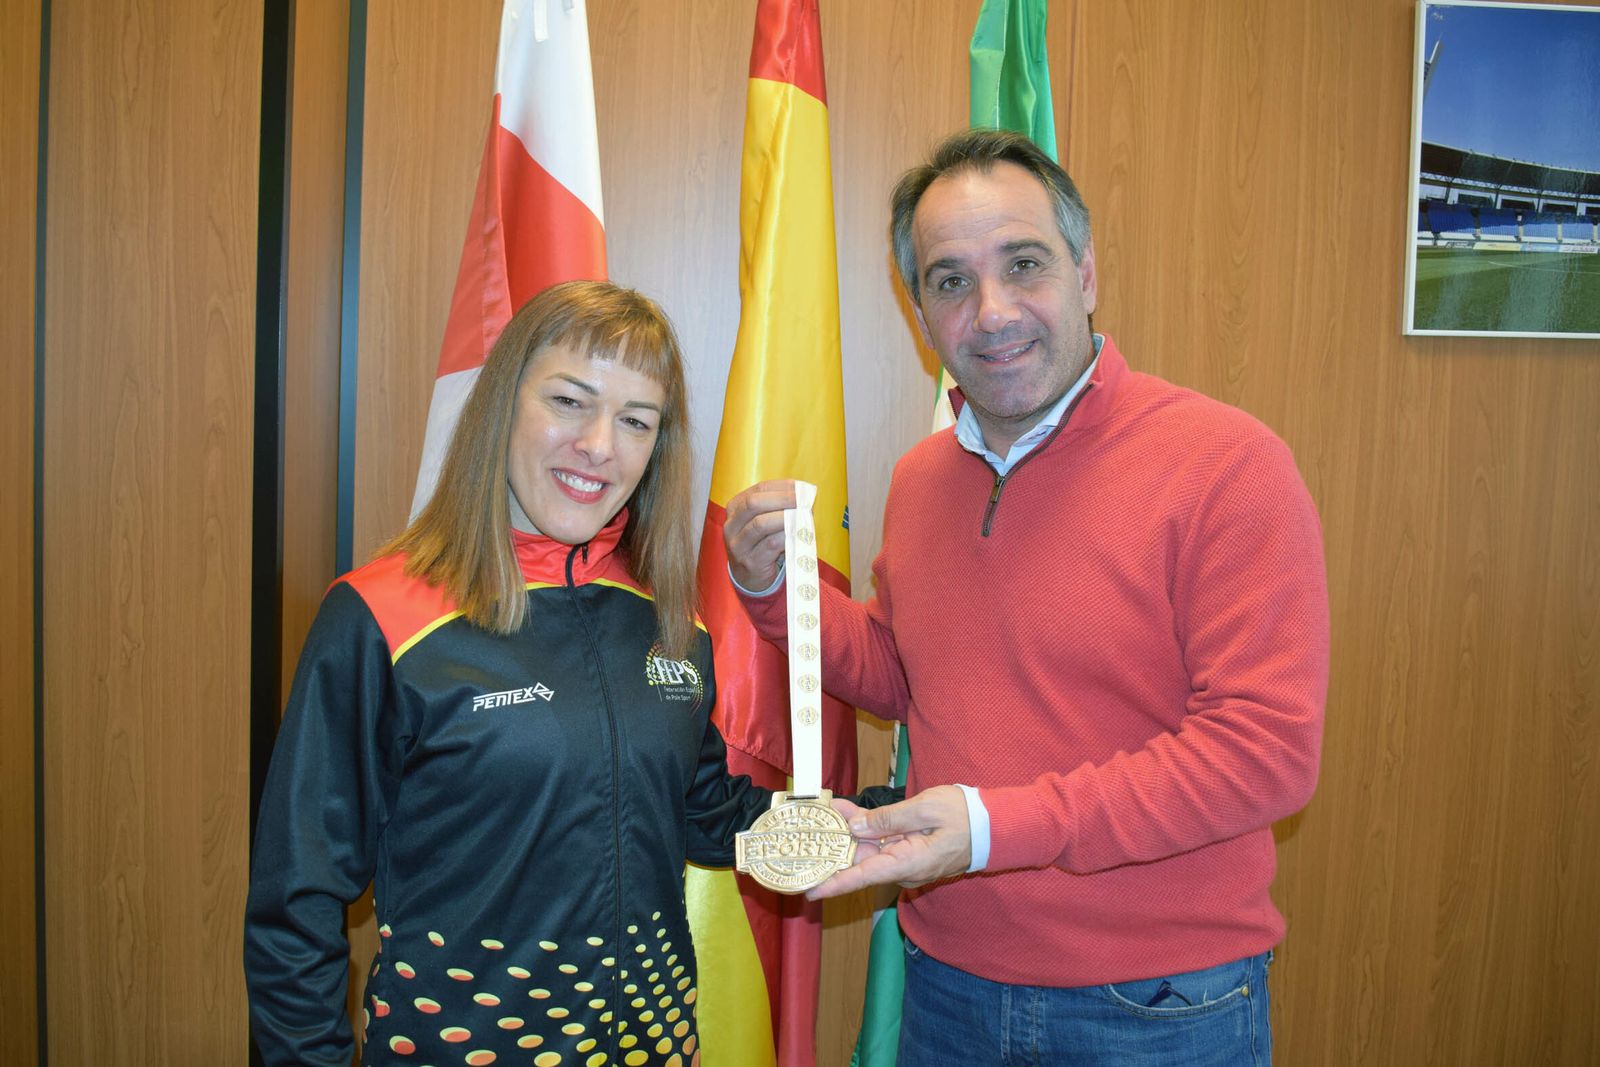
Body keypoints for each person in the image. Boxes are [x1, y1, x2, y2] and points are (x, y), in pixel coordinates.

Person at [723, 129, 1328, 1065]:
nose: (993, 310)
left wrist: (993, 827)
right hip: (948, 986)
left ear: (1085, 274)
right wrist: (776, 591)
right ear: (920, 309)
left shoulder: (1228, 466)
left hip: (1156, 1009)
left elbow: (1266, 755)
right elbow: (902, 669)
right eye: (951, 280)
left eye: (1025, 264)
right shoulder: (924, 476)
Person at [246, 280, 775, 1067]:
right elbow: (296, 903)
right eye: (569, 400)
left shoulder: (671, 622)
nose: (600, 443)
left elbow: (712, 816)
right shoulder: (380, 616)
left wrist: (871, 826)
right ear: (504, 406)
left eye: (636, 420)